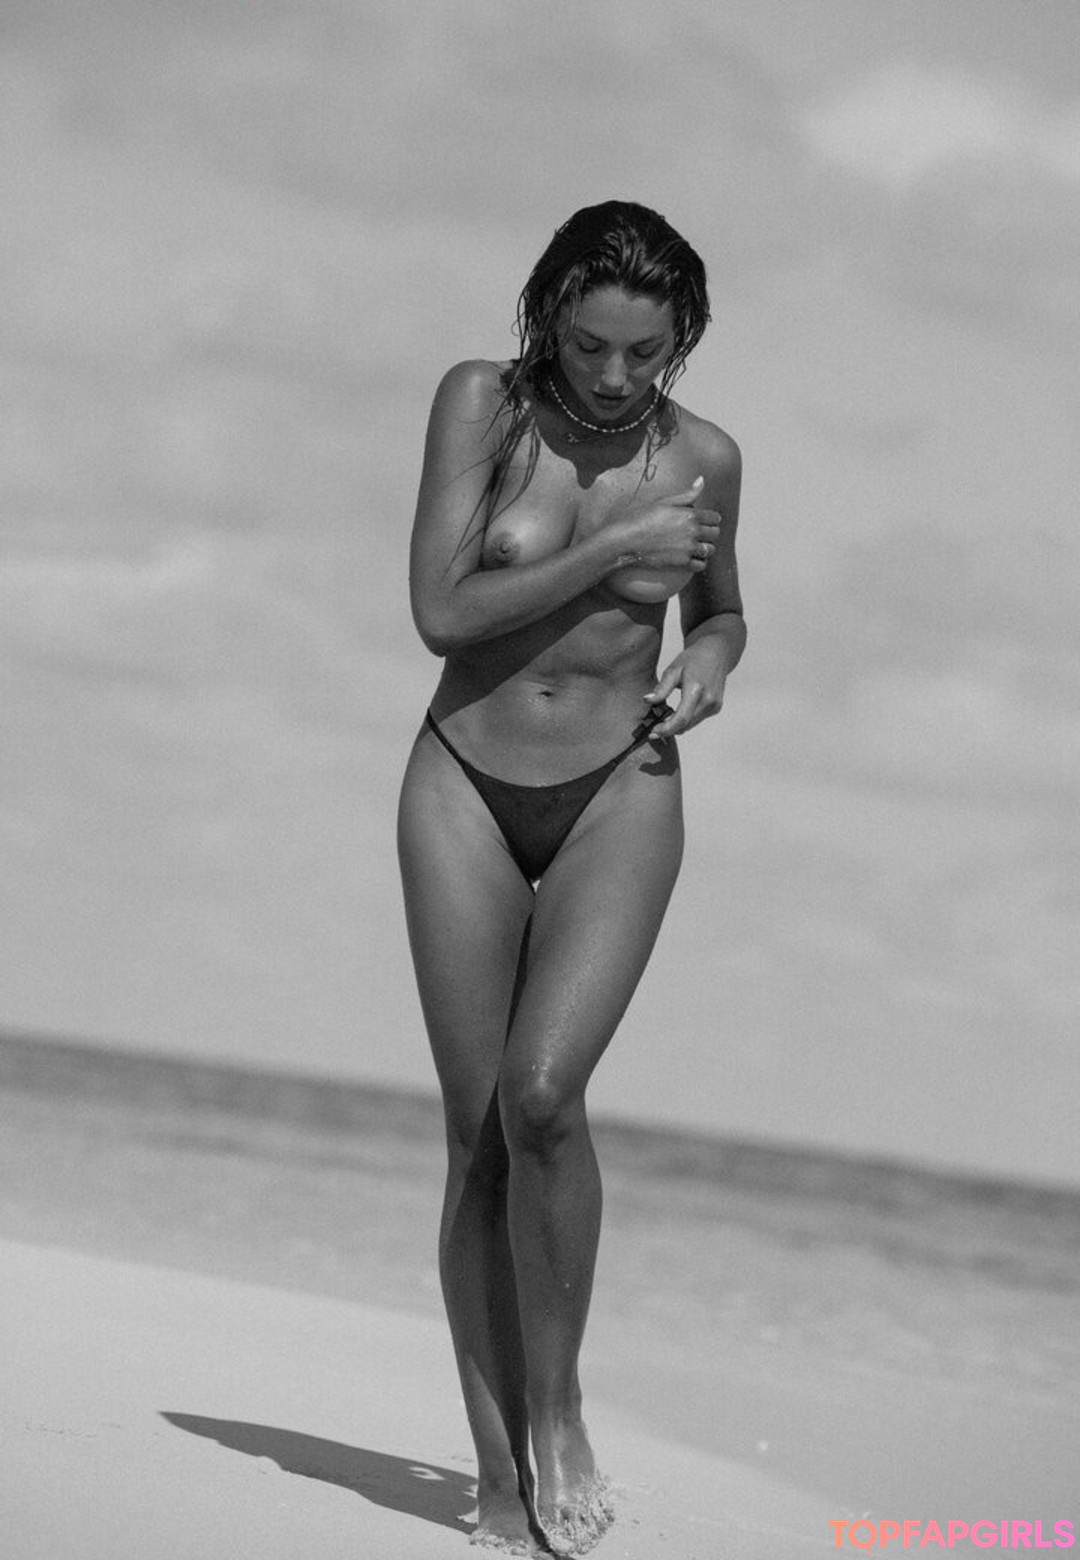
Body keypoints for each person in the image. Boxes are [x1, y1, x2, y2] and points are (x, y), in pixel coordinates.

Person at [397, 200, 745, 1557]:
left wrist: (709, 658)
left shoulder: (705, 458)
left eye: (643, 352)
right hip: (462, 782)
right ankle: (498, 1482)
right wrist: (608, 552)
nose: (611, 374)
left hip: (620, 789)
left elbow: (721, 609)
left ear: (680, 338)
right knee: (480, 1135)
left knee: (545, 1096)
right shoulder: (481, 407)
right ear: (547, 314)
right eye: (589, 343)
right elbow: (440, 612)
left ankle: (562, 1407)